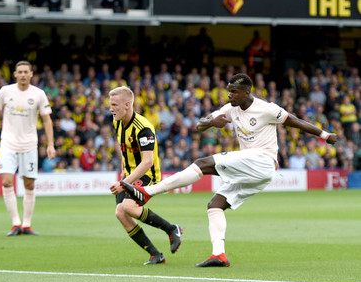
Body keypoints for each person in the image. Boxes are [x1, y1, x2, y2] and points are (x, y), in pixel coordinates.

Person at [121, 73, 337, 267]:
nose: (230, 95)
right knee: (215, 205)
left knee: (203, 163)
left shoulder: (266, 109)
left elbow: (296, 121)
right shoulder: (230, 109)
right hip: (254, 170)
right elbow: (199, 124)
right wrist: (211, 122)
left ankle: (150, 191)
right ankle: (219, 255)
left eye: (234, 92)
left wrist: (325, 135)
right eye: (228, 91)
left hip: (263, 160)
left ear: (247, 92)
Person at [0, 60, 56, 236]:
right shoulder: (6, 91)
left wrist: (50, 144)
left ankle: (27, 224)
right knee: (6, 181)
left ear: (31, 74)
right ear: (15, 74)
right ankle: (15, 224)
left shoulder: (38, 94)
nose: (22, 74)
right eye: (19, 72)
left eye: (25, 72)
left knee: (29, 183)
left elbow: (46, 119)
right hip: (8, 143)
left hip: (29, 144)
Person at [108, 86, 183, 266]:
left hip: (147, 174)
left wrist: (124, 183)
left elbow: (147, 162)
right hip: (129, 174)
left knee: (127, 207)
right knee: (120, 213)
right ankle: (155, 254)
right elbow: (124, 151)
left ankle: (171, 229)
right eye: (110, 105)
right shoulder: (117, 121)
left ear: (127, 104)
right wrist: (124, 175)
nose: (111, 109)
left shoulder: (144, 128)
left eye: (114, 105)